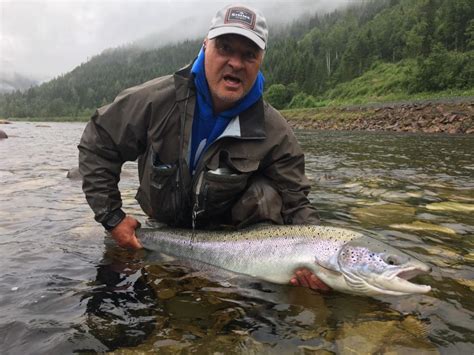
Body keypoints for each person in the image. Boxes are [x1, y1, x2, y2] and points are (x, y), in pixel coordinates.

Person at [78, 4, 329, 291]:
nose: (236, 63)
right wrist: (113, 218)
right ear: (205, 46)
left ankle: (246, 289)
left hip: (231, 241)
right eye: (224, 48)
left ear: (261, 60)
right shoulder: (156, 101)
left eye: (249, 55)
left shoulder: (275, 132)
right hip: (162, 228)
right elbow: (99, 141)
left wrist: (316, 260)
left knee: (269, 193)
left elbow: (297, 202)